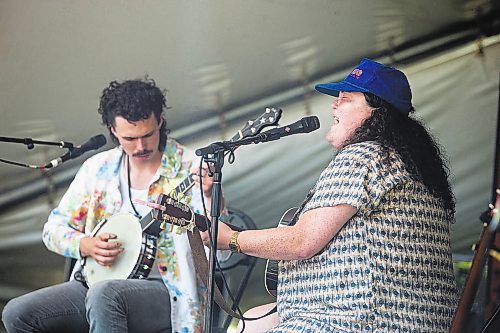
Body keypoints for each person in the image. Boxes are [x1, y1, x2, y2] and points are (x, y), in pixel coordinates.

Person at [207, 58, 458, 332]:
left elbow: (302, 241)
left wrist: (231, 239)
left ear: (377, 112)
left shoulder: (364, 156)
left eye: (346, 98)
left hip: (361, 322)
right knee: (251, 321)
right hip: (405, 319)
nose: (333, 104)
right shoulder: (411, 167)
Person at [2, 77, 219, 332]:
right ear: (113, 131)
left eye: (148, 135)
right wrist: (85, 244)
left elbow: (219, 249)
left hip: (168, 290)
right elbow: (53, 230)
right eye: (129, 138)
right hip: (96, 283)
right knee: (18, 313)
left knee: (105, 295)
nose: (140, 146)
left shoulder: (191, 168)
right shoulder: (98, 169)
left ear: (160, 120)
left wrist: (209, 196)